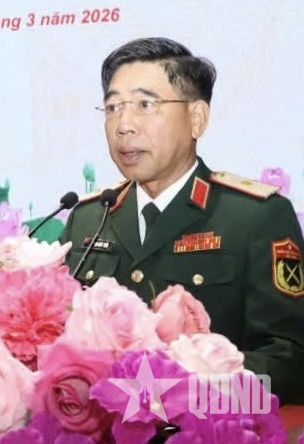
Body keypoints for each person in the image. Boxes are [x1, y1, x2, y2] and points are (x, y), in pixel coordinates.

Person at [59, 37, 304, 405]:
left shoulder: (255, 217)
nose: (124, 125)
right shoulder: (88, 218)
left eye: (145, 105)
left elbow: (290, 359)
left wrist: (189, 394)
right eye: (113, 107)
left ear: (196, 119)